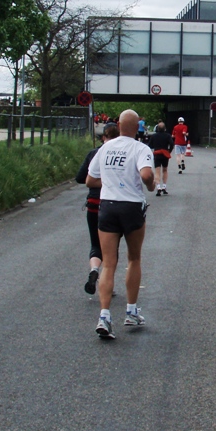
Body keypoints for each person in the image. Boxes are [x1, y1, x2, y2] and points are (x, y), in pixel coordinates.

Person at [86, 109, 156, 340]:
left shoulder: (105, 148)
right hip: (131, 206)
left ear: (118, 124)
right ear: (138, 128)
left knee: (109, 263)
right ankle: (131, 311)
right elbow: (146, 175)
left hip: (107, 206)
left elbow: (89, 179)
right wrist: (151, 185)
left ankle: (104, 316)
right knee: (133, 258)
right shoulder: (141, 149)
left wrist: (109, 181)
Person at [76, 122, 120, 295]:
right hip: (111, 204)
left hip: (93, 204)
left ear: (103, 137)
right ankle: (107, 283)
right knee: (112, 246)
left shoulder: (94, 153)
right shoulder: (121, 154)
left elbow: (80, 178)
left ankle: (94, 269)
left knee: (95, 243)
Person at [147, 122, 174, 196]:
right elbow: (171, 143)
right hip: (165, 154)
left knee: (157, 171)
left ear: (157, 128)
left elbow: (149, 145)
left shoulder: (154, 136)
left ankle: (158, 187)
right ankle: (164, 186)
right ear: (165, 128)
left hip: (157, 154)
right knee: (165, 170)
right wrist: (169, 151)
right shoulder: (168, 136)